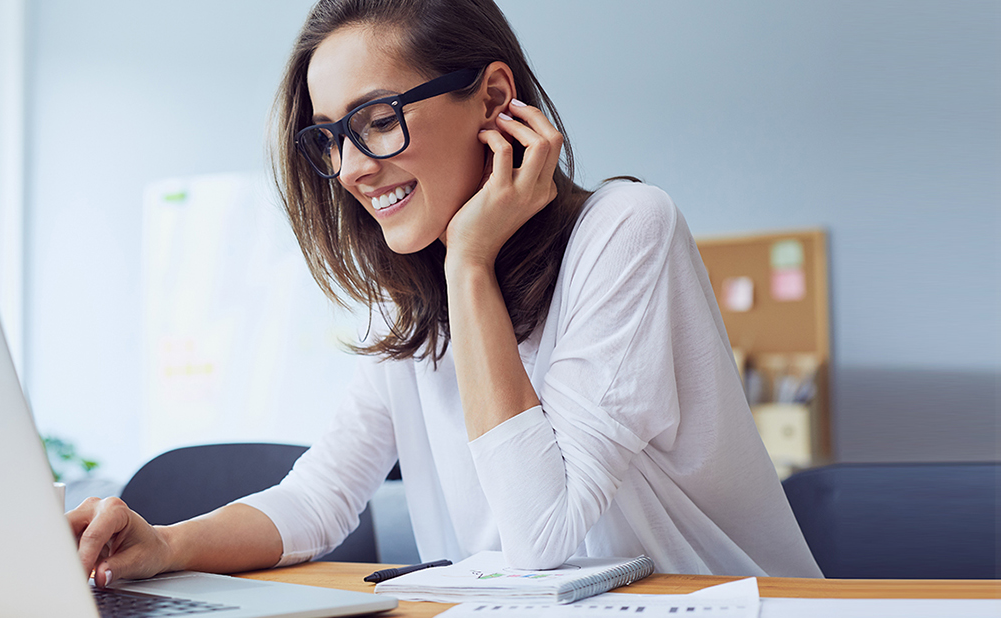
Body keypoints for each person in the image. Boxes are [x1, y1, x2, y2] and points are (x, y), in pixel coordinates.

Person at [67, 0, 822, 587]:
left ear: (495, 97)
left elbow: (541, 536)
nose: (354, 168)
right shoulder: (417, 305)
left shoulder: (626, 229)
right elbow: (319, 496)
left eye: (377, 120)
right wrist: (163, 545)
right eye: (331, 137)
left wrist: (469, 263)